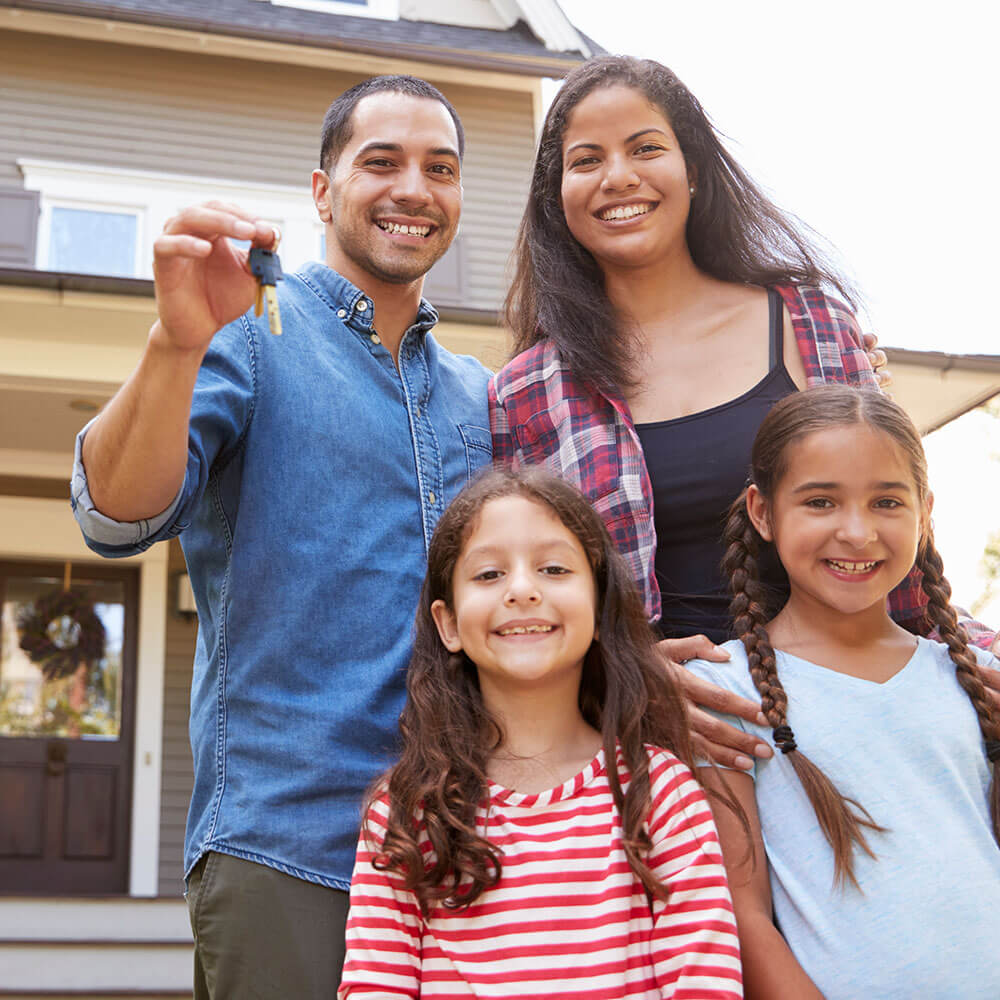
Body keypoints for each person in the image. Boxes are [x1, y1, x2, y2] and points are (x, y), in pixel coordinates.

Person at [70, 76, 491, 997]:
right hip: (290, 850)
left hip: (467, 853)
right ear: (322, 189)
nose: (413, 187)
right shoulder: (249, 334)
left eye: (441, 168)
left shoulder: (478, 394)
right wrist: (176, 344)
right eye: (380, 161)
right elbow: (114, 514)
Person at [489, 54, 997, 773]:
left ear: (692, 169)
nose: (618, 176)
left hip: (848, 717)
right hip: (662, 747)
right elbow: (524, 593)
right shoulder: (526, 391)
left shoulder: (811, 319)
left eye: (645, 148)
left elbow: (891, 522)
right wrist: (622, 677)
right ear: (558, 196)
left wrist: (965, 653)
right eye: (586, 160)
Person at [338, 466, 743, 999]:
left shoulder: (661, 792)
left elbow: (704, 985)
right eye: (488, 575)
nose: (523, 590)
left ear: (599, 607)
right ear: (449, 623)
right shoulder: (409, 808)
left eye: (553, 569)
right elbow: (375, 987)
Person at [684, 385, 1000, 1000]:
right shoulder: (723, 694)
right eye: (821, 502)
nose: (856, 533)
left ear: (924, 512)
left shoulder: (970, 677)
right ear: (763, 512)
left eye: (886, 501)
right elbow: (742, 917)